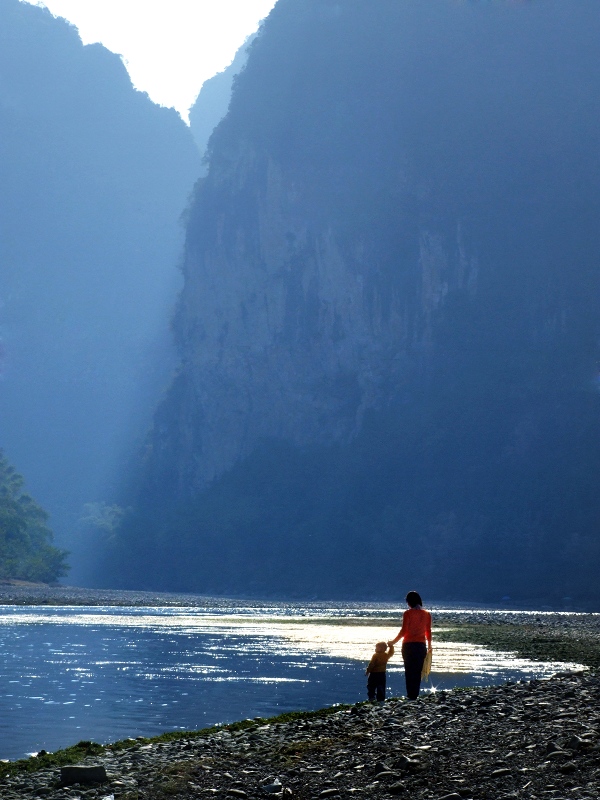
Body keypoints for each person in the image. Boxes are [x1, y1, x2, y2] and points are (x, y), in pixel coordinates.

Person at [388, 591, 432, 700]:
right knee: (417, 672)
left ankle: (410, 695)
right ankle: (415, 695)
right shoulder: (427, 614)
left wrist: (393, 642)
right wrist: (430, 645)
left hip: (408, 645)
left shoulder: (407, 613)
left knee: (409, 670)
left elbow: (404, 631)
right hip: (421, 646)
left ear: (409, 602)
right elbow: (428, 631)